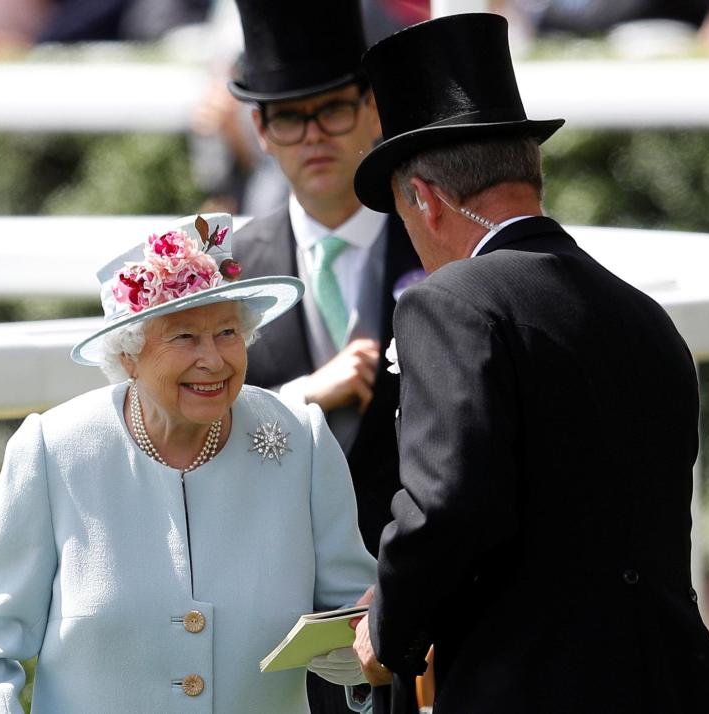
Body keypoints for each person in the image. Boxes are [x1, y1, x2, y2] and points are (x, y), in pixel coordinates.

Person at [349, 13, 709, 713]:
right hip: (671, 684)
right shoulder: (643, 313)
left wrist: (388, 624)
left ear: (424, 201)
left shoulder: (451, 300)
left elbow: (445, 503)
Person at [0, 213, 376, 712]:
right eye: (184, 337)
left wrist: (379, 640)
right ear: (127, 356)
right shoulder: (54, 450)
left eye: (228, 332)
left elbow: (356, 622)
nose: (213, 360)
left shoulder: (301, 441)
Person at [226, 3, 421, 711]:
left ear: (372, 107)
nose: (312, 136)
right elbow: (190, 442)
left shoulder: (436, 243)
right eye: (287, 117)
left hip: (427, 627)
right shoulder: (229, 272)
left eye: (332, 110)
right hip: (270, 626)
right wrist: (303, 394)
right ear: (260, 130)